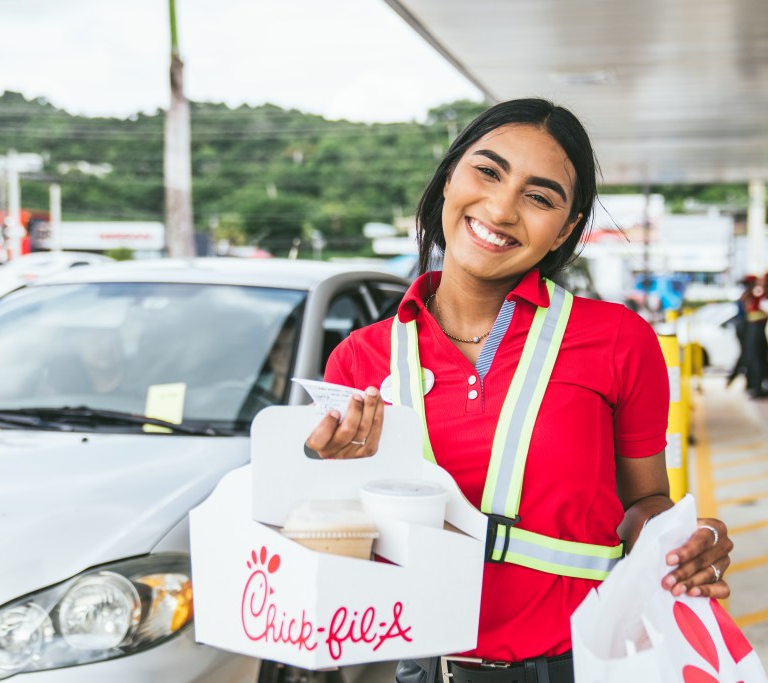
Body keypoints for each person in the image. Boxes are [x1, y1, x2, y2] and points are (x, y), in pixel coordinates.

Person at [303, 98, 734, 682]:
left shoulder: (617, 340)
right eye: (487, 171)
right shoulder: (360, 358)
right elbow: (337, 549)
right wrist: (321, 484)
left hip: (577, 668)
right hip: (425, 670)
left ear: (567, 227)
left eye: (540, 197)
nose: (502, 208)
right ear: (448, 177)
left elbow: (644, 503)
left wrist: (686, 540)